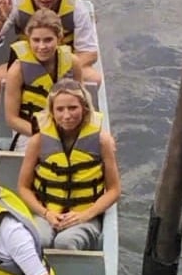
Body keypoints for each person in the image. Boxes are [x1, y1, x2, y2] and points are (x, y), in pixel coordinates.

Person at [17, 81, 120, 250]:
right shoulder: (38, 141)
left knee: (65, 243)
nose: (66, 116)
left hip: (85, 214)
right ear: (51, 111)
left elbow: (114, 190)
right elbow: (23, 187)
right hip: (47, 212)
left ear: (84, 108)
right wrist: (47, 214)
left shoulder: (102, 141)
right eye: (60, 109)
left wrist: (84, 215)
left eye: (73, 108)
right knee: (39, 240)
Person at [4, 8, 83, 151]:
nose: (42, 46)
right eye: (36, 40)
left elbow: (83, 105)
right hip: (30, 130)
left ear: (59, 38)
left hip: (68, 126)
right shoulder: (17, 70)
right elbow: (12, 119)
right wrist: (46, 135)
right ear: (29, 40)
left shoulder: (73, 63)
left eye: (48, 40)